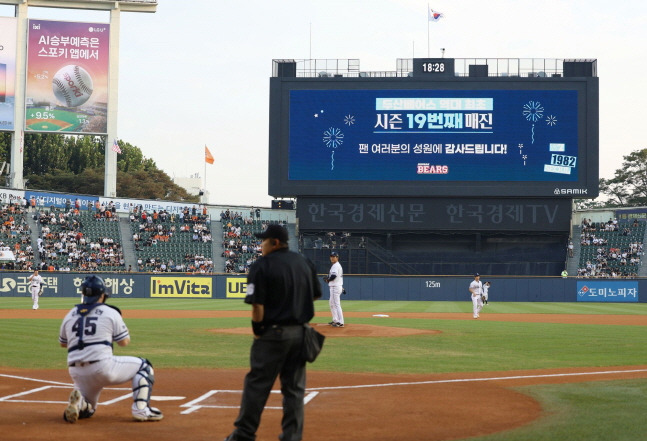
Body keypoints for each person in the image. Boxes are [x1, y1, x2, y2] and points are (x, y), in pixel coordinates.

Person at [224, 224, 322, 441]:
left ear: (275, 242)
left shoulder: (262, 265)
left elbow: (257, 306)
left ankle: (244, 434)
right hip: (301, 335)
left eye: (264, 241)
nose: (261, 245)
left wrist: (258, 330)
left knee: (257, 386)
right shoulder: (303, 262)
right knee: (294, 390)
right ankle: (292, 437)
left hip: (273, 335)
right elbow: (315, 295)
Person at [59, 275, 163, 423]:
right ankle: (141, 410)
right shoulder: (109, 312)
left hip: (77, 372)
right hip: (102, 367)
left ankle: (80, 403)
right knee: (144, 366)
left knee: (90, 410)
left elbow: (63, 343)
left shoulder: (70, 314)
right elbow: (124, 342)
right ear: (102, 295)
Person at [324, 251, 344, 327]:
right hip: (336, 286)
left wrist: (328, 279)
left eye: (334, 256)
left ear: (337, 258)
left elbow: (334, 276)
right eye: (331, 256)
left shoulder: (336, 265)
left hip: (335, 287)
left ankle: (340, 322)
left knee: (336, 304)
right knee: (332, 304)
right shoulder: (336, 265)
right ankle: (335, 320)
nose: (332, 258)